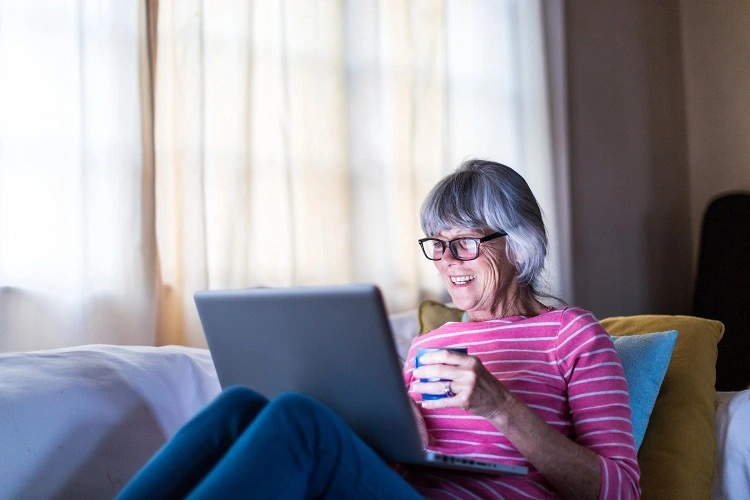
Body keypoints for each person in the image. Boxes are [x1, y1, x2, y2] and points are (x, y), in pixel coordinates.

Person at [118, 159, 640, 499]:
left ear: (519, 243)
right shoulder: (428, 345)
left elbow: (620, 490)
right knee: (242, 407)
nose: (446, 260)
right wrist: (393, 430)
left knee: (298, 420)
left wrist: (502, 409)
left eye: (465, 242)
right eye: (436, 243)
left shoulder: (570, 335)